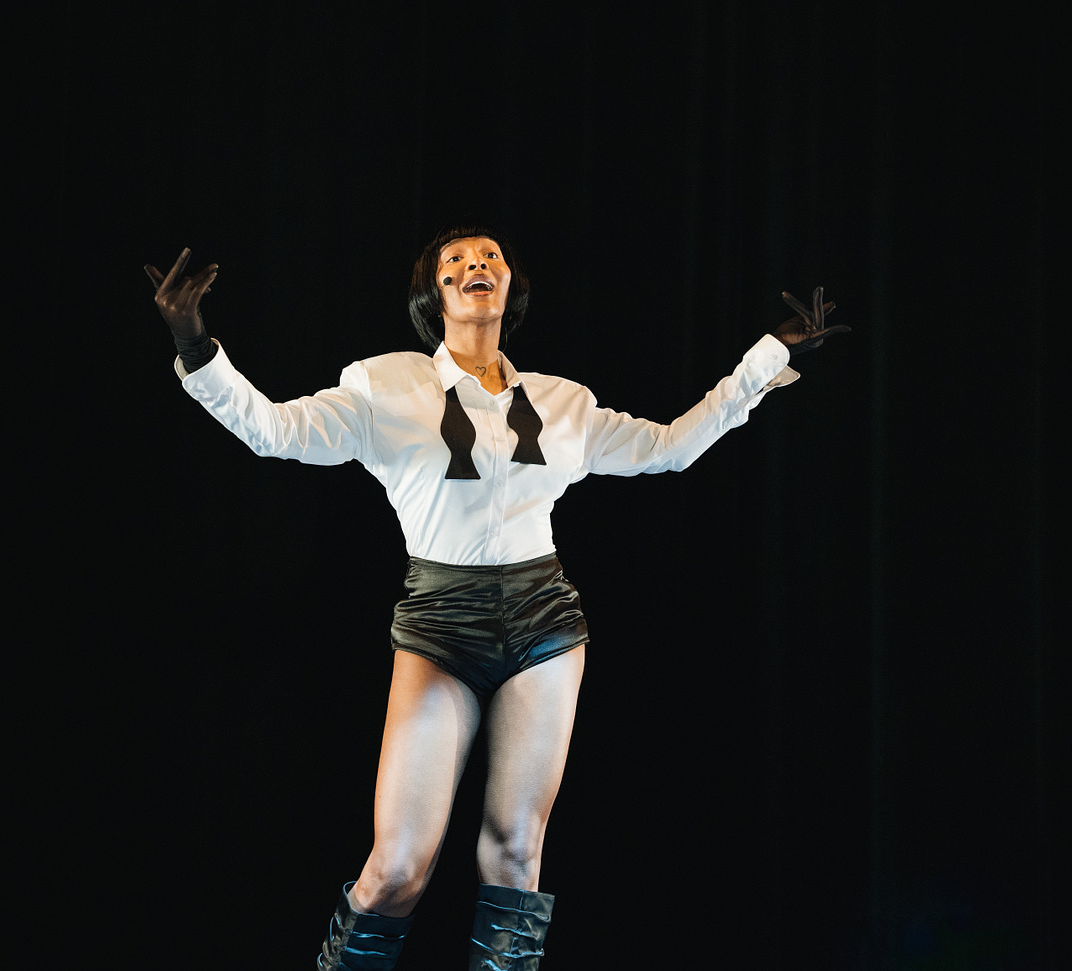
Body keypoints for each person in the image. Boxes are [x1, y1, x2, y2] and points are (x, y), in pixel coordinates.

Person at [144, 226, 847, 970]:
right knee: (396, 869)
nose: (475, 264)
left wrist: (769, 355)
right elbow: (273, 430)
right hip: (440, 624)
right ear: (434, 292)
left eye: (490, 258)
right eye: (455, 261)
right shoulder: (383, 387)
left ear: (508, 286)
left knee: (514, 854)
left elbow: (670, 447)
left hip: (544, 620)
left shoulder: (563, 403)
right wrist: (195, 343)